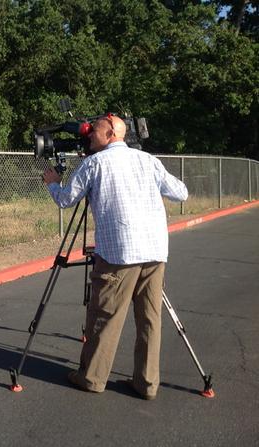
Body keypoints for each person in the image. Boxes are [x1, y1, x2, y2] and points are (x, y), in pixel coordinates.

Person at [42, 113, 188, 400]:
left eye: (93, 130)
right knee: (150, 319)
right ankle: (147, 383)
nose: (88, 135)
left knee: (105, 316)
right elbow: (181, 193)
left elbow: (66, 199)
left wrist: (53, 182)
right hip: (155, 251)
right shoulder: (148, 161)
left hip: (119, 254)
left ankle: (92, 377)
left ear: (111, 133)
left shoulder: (94, 163)